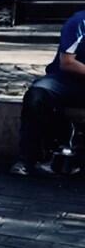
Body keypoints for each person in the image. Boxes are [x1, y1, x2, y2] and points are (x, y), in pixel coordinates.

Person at [10, 10, 85, 176]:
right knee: (37, 95)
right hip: (66, 80)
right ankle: (28, 158)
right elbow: (67, 63)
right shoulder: (79, 22)